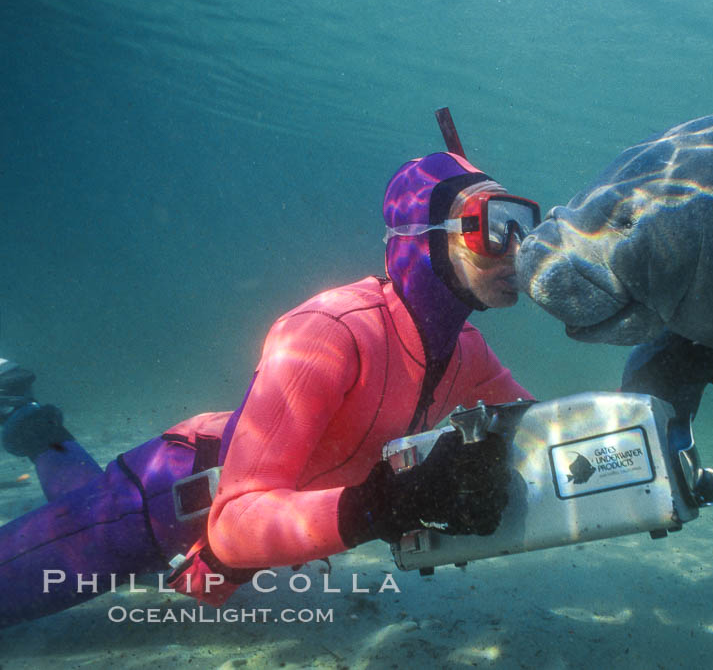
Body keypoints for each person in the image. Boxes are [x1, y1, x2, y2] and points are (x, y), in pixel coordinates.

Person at [0, 147, 541, 627]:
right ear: (423, 238)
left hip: (211, 539)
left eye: (523, 225)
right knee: (74, 548)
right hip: (155, 507)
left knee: (79, 507)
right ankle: (27, 417)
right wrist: (386, 507)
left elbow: (543, 431)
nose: (516, 248)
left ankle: (29, 418)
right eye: (493, 226)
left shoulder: (466, 351)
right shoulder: (330, 332)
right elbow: (233, 527)